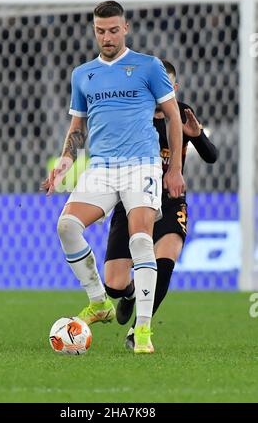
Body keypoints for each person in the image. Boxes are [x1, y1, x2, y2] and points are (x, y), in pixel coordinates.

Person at [41, 1, 185, 354]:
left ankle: (144, 331)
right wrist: (65, 159)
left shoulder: (148, 67)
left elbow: (173, 118)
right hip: (101, 166)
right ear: (94, 31)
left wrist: (175, 168)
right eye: (100, 31)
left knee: (140, 241)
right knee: (67, 226)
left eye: (113, 30)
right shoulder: (83, 74)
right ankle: (99, 303)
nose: (107, 37)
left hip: (142, 165)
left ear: (126, 28)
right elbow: (78, 125)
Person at [104, 59, 218, 349]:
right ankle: (130, 293)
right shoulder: (133, 114)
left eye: (164, 86)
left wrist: (198, 137)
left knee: (165, 261)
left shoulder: (181, 114)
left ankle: (139, 329)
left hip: (170, 202)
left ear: (174, 88)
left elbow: (211, 156)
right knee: (113, 285)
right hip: (132, 201)